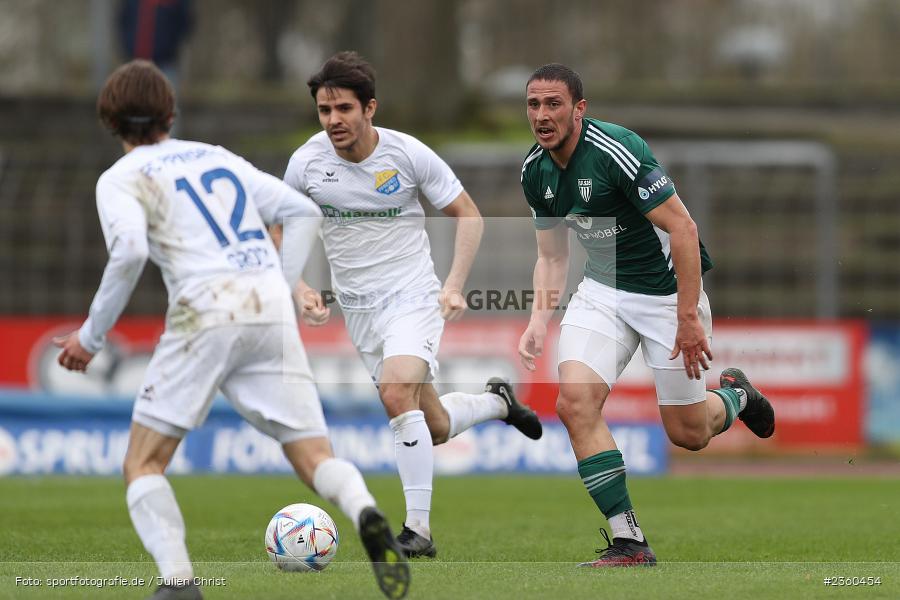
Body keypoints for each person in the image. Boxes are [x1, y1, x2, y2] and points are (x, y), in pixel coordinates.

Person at [54, 60, 410, 600]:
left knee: (143, 462)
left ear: (111, 122)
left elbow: (128, 250)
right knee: (314, 457)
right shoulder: (214, 157)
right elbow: (302, 212)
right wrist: (277, 285)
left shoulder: (120, 178)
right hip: (267, 307)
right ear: (170, 113)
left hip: (204, 310)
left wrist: (90, 337)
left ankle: (179, 584)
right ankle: (365, 511)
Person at [283, 51, 543, 558]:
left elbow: (468, 214)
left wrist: (453, 284)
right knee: (435, 424)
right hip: (360, 310)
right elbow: (278, 227)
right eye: (324, 110)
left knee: (396, 392)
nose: (333, 120)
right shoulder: (306, 163)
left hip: (412, 296)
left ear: (370, 108)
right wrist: (299, 287)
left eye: (343, 109)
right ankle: (498, 403)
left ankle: (417, 532)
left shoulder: (406, 155)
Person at [517, 63, 775, 567]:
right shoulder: (534, 171)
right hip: (602, 292)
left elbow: (683, 227)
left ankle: (737, 394)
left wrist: (686, 316)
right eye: (533, 105)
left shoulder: (617, 150)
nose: (542, 115)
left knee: (689, 433)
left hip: (665, 296)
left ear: (579, 109)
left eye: (553, 104)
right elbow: (551, 256)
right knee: (574, 404)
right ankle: (629, 541)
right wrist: (536, 320)